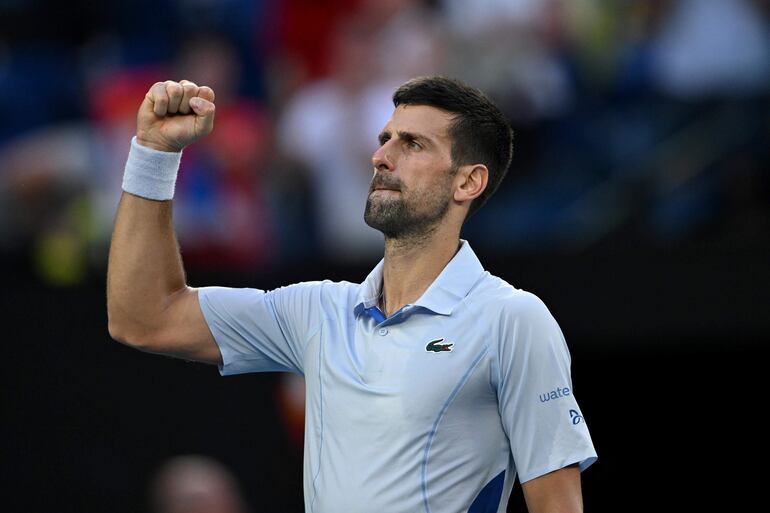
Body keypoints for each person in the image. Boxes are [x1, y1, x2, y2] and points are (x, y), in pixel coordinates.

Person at [107, 75, 597, 513]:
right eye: (385, 139)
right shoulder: (317, 310)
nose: (380, 156)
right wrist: (154, 153)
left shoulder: (511, 318)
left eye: (412, 144)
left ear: (468, 181)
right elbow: (144, 316)